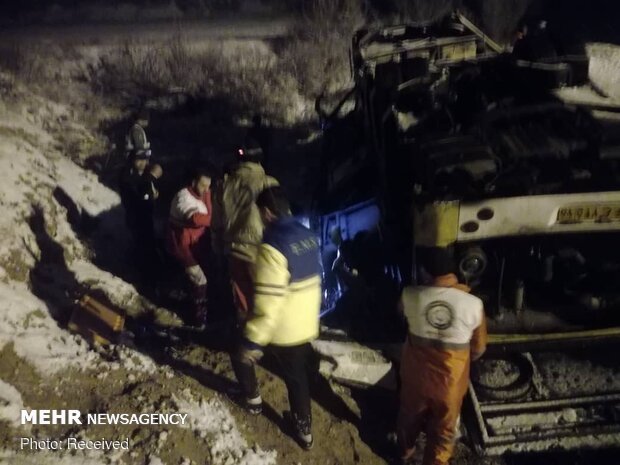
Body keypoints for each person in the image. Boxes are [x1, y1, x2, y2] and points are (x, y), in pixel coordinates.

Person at [230, 186, 321, 451]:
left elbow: (269, 303)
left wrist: (254, 342)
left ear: (267, 213)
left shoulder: (273, 247)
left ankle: (253, 400)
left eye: (260, 213)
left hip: (283, 326)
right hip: (305, 323)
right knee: (296, 377)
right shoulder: (308, 235)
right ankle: (304, 431)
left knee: (238, 349)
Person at [396, 250, 487, 465]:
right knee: (444, 434)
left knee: (409, 419)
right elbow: (479, 348)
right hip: (450, 386)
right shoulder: (474, 305)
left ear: (425, 272)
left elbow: (400, 314)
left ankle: (404, 453)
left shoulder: (409, 295)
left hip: (415, 380)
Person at [221, 144, 279, 321]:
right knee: (263, 299)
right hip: (259, 250)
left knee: (242, 302)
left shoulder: (225, 184)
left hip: (234, 250)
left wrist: (219, 247)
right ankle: (264, 343)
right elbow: (281, 217)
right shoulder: (268, 182)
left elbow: (216, 221)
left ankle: (244, 341)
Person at [167, 168, 213, 326]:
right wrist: (215, 220)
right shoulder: (183, 197)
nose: (206, 190)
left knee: (199, 276)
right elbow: (195, 219)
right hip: (182, 246)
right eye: (203, 185)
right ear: (193, 182)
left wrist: (206, 194)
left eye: (208, 186)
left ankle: (185, 300)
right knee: (200, 280)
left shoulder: (203, 193)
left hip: (196, 244)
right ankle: (198, 317)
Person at [119, 150, 162, 284]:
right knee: (142, 247)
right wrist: (151, 178)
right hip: (136, 217)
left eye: (145, 160)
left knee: (149, 244)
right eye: (139, 160)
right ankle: (145, 279)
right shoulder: (127, 177)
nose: (143, 163)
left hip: (147, 216)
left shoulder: (143, 174)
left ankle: (153, 275)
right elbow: (139, 194)